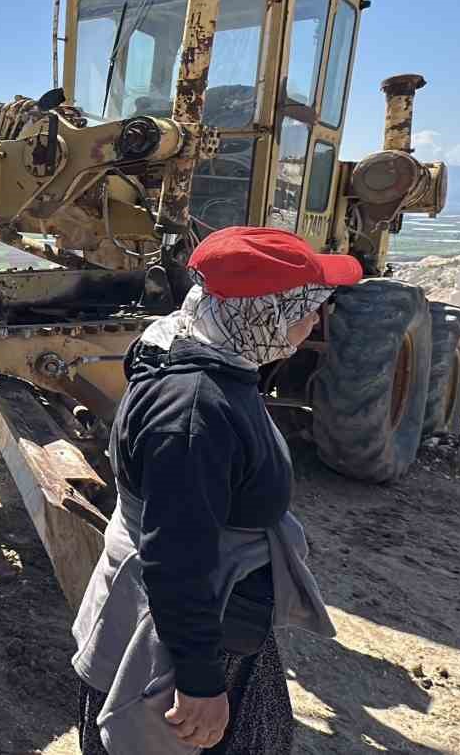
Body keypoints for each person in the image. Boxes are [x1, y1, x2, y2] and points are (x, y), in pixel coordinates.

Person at [70, 227, 353, 754]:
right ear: (264, 315)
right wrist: (199, 682)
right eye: (306, 307)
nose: (317, 320)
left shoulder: (193, 344)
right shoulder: (195, 413)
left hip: (215, 616)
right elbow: (176, 558)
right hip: (187, 632)